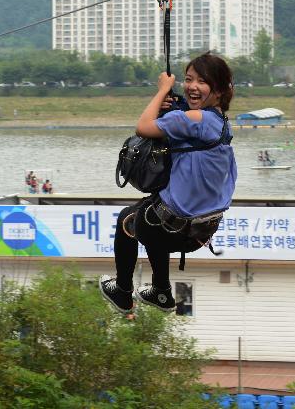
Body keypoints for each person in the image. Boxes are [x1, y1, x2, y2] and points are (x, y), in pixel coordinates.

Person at [100, 52, 237, 314]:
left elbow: (143, 127)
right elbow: (191, 122)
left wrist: (162, 91)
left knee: (129, 218)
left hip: (170, 227)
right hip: (200, 233)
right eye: (188, 79)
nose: (192, 86)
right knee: (153, 208)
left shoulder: (194, 120)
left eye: (201, 82)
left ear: (218, 90)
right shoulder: (220, 123)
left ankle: (122, 291)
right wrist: (176, 107)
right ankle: (161, 292)